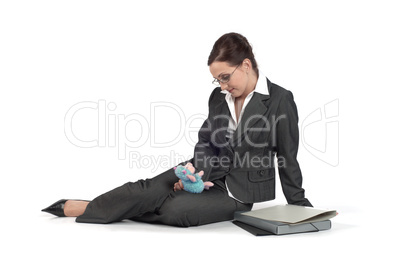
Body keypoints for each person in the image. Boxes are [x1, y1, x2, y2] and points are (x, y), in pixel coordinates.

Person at [42, 32, 312, 227]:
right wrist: (196, 174)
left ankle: (98, 207)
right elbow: (207, 140)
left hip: (238, 193)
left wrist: (299, 205)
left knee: (176, 210)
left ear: (246, 65)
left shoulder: (279, 99)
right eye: (217, 80)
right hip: (203, 170)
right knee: (146, 188)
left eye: (225, 77)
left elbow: (287, 155)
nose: (222, 87)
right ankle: (92, 206)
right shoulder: (219, 99)